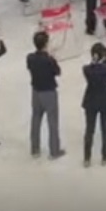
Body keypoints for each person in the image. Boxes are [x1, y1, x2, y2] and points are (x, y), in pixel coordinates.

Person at [25, 28, 65, 159]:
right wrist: (52, 57)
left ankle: (34, 148)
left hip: (35, 91)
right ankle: (54, 150)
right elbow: (57, 72)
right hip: (49, 92)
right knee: (52, 121)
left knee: (35, 119)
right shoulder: (49, 60)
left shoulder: (30, 58)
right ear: (46, 44)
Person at [79, 42, 106, 165]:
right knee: (105, 129)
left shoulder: (87, 70)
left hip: (91, 101)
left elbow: (89, 67)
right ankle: (105, 157)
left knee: (89, 129)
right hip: (105, 101)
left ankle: (87, 158)